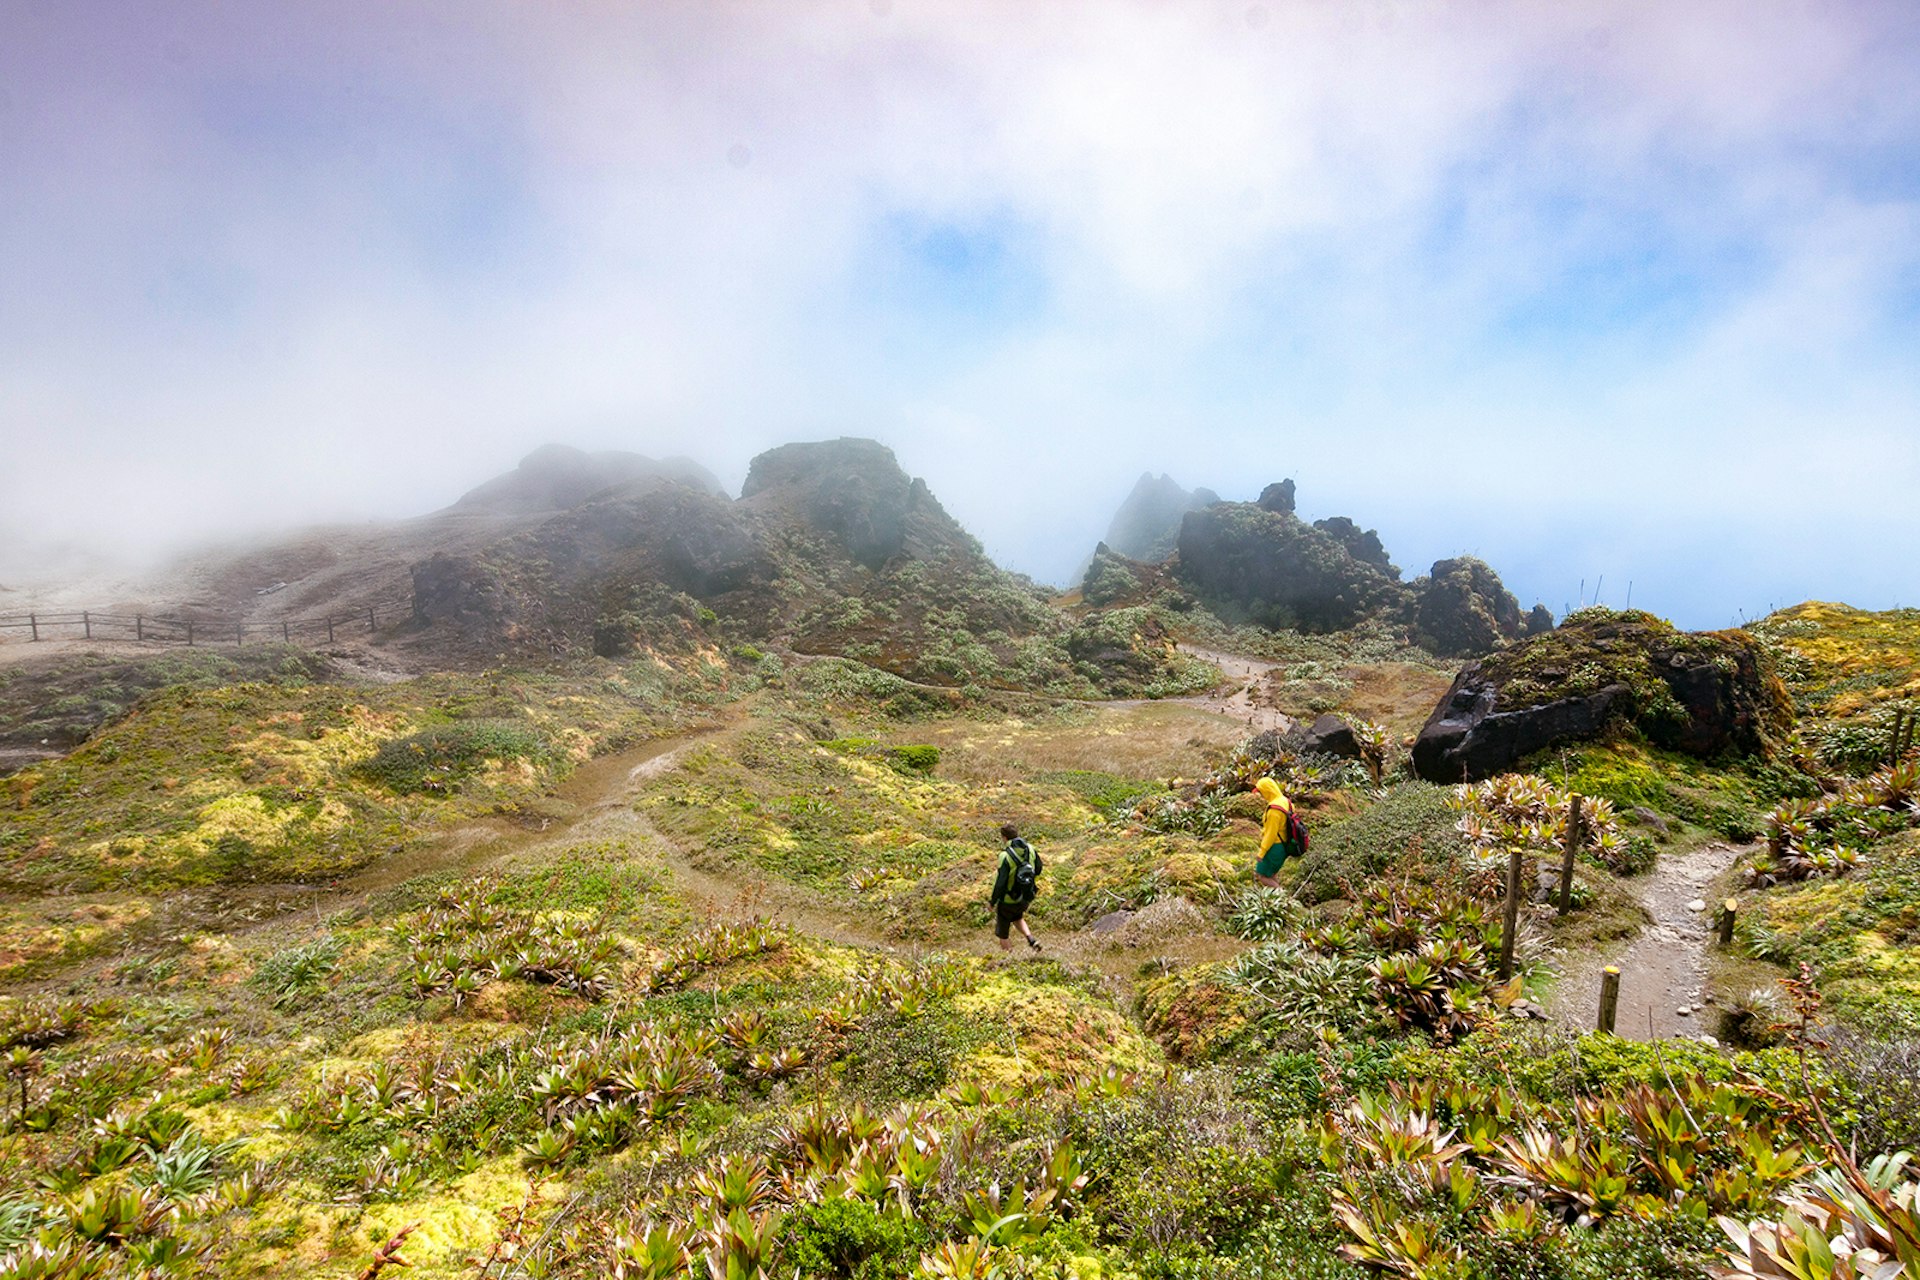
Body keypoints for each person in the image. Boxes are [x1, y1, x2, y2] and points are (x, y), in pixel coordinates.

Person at [990, 823, 1042, 952]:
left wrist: (992, 902)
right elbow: (1039, 869)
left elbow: (1000, 883)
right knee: (1017, 917)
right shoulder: (1030, 849)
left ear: (1005, 838)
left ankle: (1009, 958)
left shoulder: (1005, 856)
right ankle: (1031, 939)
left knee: (1003, 933)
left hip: (1008, 899)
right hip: (1025, 896)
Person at [1253, 777, 1299, 887]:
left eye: (1261, 792)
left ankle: (1284, 898)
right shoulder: (1286, 801)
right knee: (1272, 874)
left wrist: (1262, 852)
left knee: (1261, 876)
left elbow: (1271, 834)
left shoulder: (1274, 810)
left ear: (1267, 791)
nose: (1261, 795)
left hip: (1274, 847)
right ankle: (1277, 900)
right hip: (1285, 844)